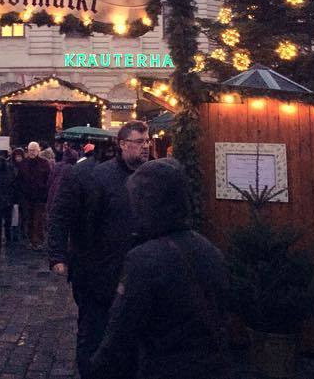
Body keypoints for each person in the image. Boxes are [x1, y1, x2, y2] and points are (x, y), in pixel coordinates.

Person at [88, 159, 233, 379]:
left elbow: (120, 333)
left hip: (165, 367)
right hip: (213, 366)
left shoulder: (144, 260)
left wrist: (96, 367)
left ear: (146, 204)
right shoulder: (209, 250)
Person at [47, 120, 150, 378]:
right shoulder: (91, 176)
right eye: (140, 142)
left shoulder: (148, 177)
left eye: (147, 142)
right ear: (122, 144)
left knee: (128, 338)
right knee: (94, 335)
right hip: (95, 274)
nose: (146, 147)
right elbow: (61, 216)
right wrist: (58, 255)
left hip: (133, 273)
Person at [17, 142, 51, 249]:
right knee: (29, 219)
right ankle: (31, 240)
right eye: (30, 150)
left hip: (39, 196)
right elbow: (20, 179)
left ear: (38, 151)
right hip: (27, 196)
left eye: (34, 150)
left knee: (39, 220)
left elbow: (48, 179)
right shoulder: (24, 163)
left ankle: (38, 241)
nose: (31, 152)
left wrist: (44, 191)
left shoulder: (44, 163)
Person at [47, 147, 79, 216]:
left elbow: (49, 181)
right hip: (64, 201)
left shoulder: (57, 166)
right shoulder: (74, 169)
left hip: (52, 196)